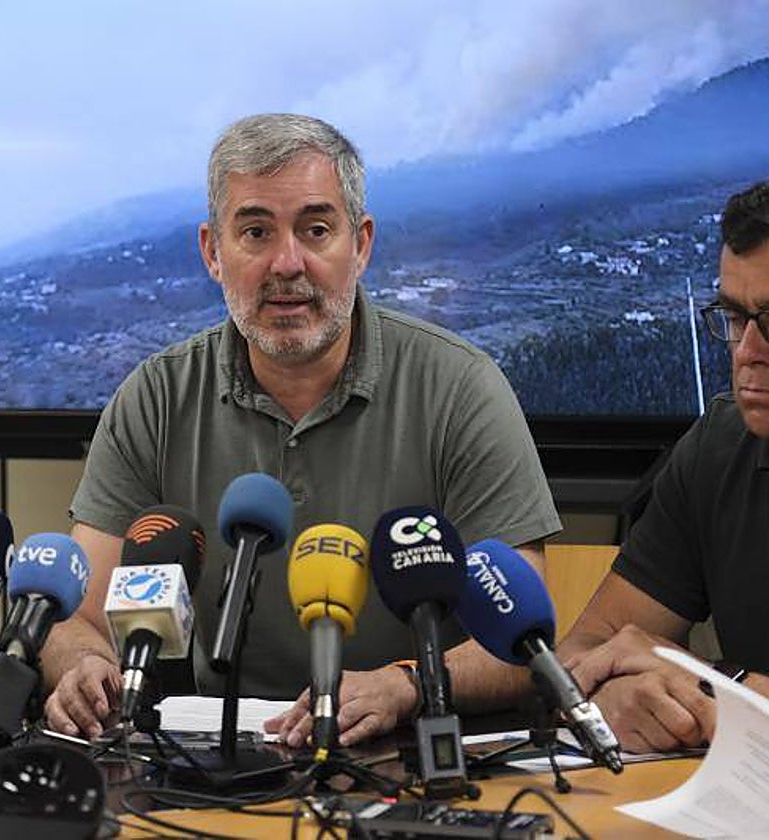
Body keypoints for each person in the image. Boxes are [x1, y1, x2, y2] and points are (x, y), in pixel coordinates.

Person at [41, 113, 561, 745]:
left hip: (407, 749)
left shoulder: (461, 387)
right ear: (212, 251)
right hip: (217, 751)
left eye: (316, 230)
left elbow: (523, 647)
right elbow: (77, 618)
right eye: (256, 232)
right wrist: (82, 665)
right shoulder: (156, 396)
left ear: (361, 244)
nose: (288, 263)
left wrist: (402, 685)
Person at [561, 172, 769, 753]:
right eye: (736, 318)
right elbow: (583, 650)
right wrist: (609, 697)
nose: (747, 353)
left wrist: (719, 690)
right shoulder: (721, 445)